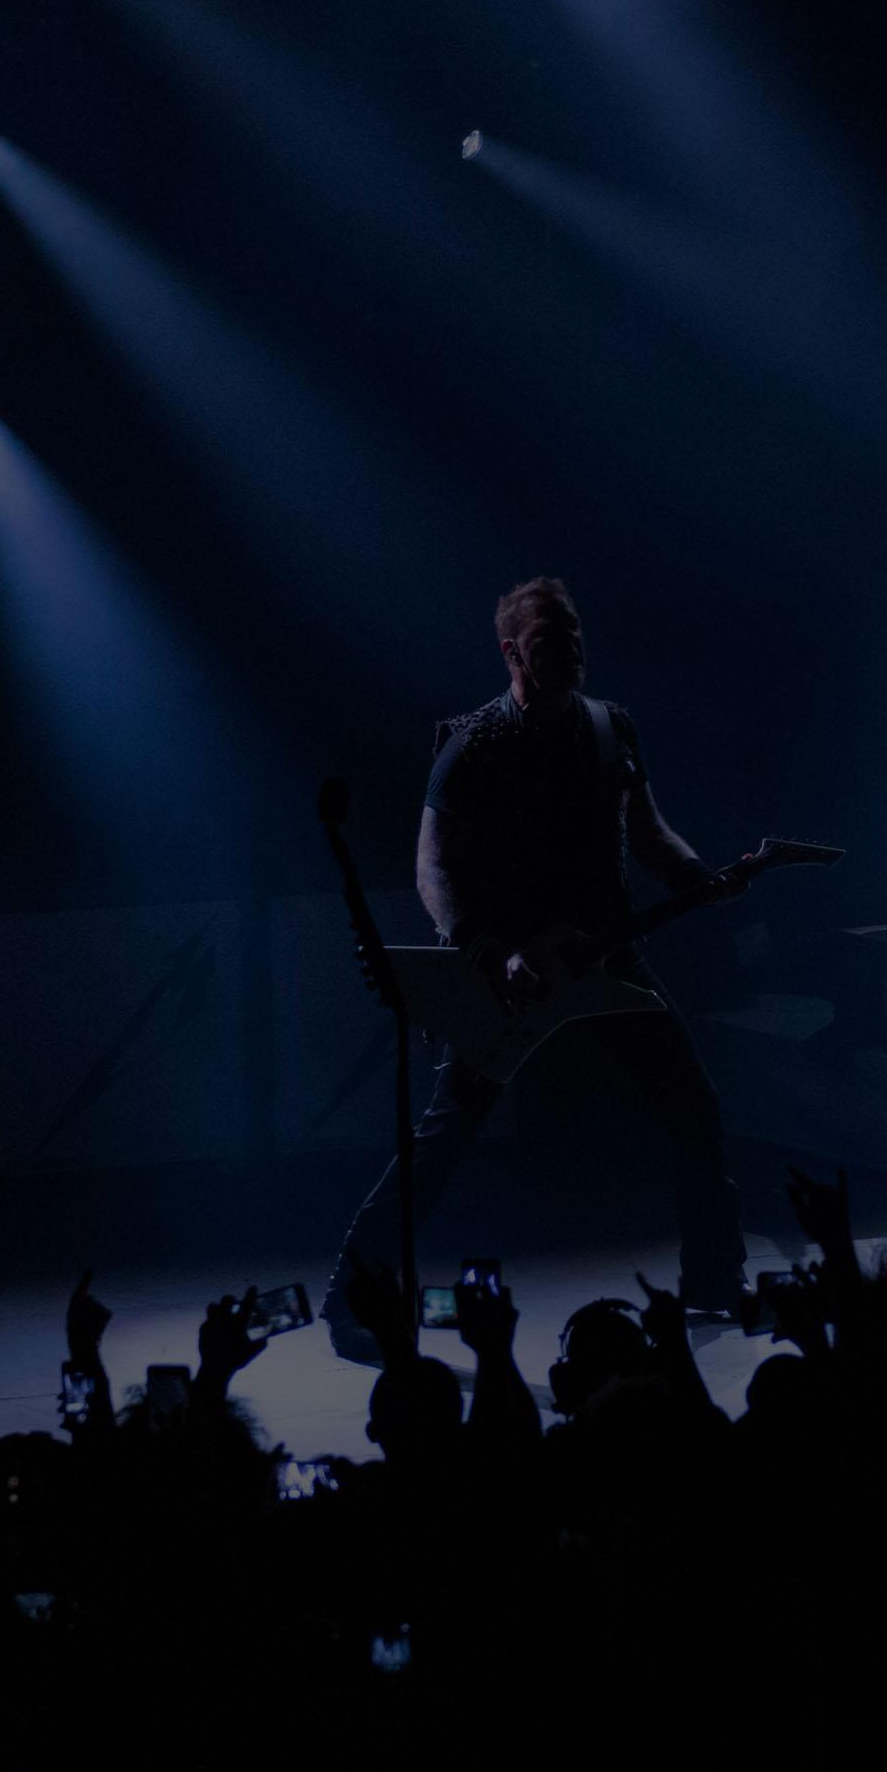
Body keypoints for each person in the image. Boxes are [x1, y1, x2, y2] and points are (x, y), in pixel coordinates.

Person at [321, 577, 748, 1363]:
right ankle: (351, 1293)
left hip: (609, 954)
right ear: (512, 651)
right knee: (444, 1141)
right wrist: (487, 950)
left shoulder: (610, 726)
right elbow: (433, 868)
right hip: (507, 974)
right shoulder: (473, 741)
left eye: (577, 639)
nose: (572, 655)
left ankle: (716, 1282)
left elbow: (647, 829)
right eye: (552, 643)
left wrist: (697, 875)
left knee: (695, 1109)